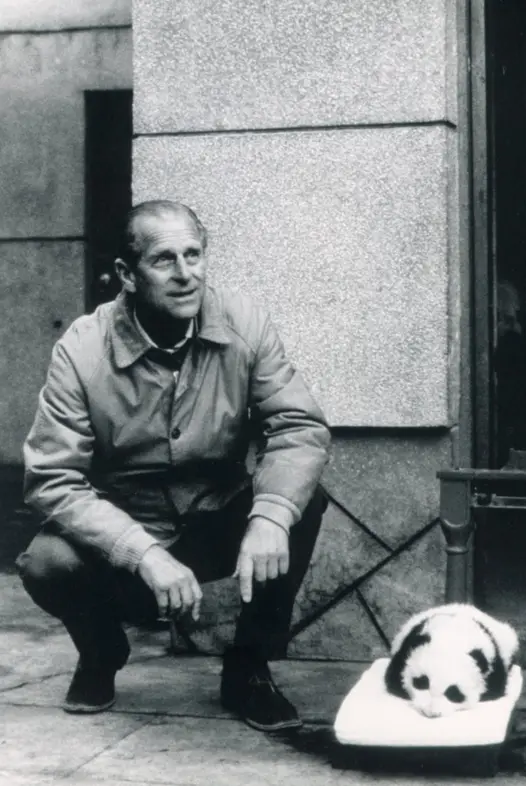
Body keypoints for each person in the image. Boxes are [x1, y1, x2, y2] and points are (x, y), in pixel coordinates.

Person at [16, 200, 331, 732]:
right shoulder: (83, 347)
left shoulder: (243, 321)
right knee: (46, 563)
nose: (186, 275)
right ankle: (100, 653)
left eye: (195, 254)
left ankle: (249, 667)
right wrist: (141, 552)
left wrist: (271, 515)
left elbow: (298, 427)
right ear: (127, 274)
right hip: (124, 532)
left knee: (302, 501)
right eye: (165, 260)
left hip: (214, 516)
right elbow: (53, 477)